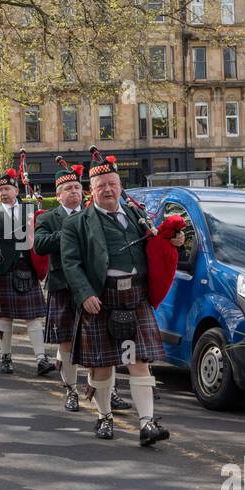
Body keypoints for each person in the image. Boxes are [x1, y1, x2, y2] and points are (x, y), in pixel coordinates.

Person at [60, 152, 184, 444]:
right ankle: (104, 417)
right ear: (92, 190)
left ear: (120, 185)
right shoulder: (77, 224)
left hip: (135, 297)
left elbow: (155, 242)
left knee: (138, 360)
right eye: (101, 185)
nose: (108, 189)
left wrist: (174, 240)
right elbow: (71, 263)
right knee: (102, 366)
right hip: (102, 299)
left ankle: (147, 424)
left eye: (112, 184)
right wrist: (85, 293)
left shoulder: (136, 214)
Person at [0, 167, 55, 378]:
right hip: (3, 270)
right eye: (0, 189)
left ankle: (41, 359)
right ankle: (6, 357)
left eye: (7, 188)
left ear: (16, 189)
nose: (3, 193)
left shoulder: (31, 209)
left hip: (27, 268)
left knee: (33, 317)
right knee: (5, 318)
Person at [33, 158, 86, 411]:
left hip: (91, 286)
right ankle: (71, 389)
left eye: (77, 187)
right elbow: (40, 245)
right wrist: (68, 231)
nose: (74, 192)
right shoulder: (49, 218)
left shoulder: (92, 214)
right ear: (58, 194)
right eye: (69, 189)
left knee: (98, 341)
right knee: (66, 340)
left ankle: (107, 390)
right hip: (61, 285)